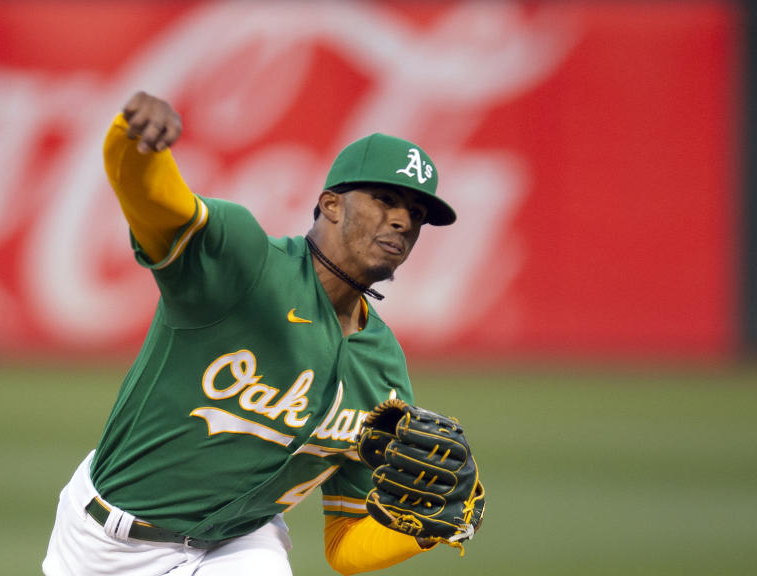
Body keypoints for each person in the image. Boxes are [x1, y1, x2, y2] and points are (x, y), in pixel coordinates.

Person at [43, 91, 466, 576]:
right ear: (330, 204)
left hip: (240, 543)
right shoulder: (244, 262)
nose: (402, 220)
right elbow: (155, 205)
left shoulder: (382, 365)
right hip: (107, 544)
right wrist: (133, 140)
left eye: (417, 214)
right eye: (385, 200)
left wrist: (423, 527)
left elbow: (346, 542)